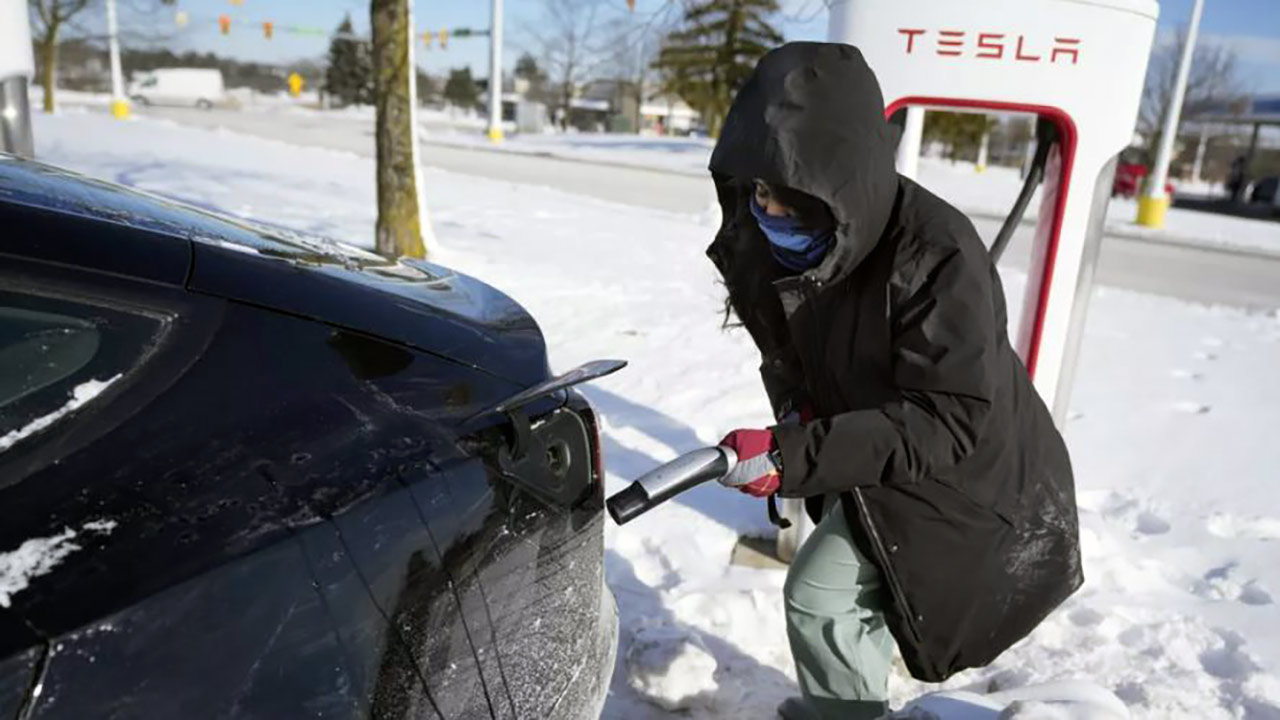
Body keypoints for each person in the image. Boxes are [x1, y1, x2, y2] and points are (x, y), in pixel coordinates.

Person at [705, 43, 1082, 720]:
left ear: (838, 184)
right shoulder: (791, 243)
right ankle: (845, 700)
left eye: (788, 198)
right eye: (757, 191)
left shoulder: (937, 256)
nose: (767, 213)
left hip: (965, 480)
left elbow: (948, 420)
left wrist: (795, 457)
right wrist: (797, 413)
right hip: (882, 451)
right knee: (855, 601)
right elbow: (793, 354)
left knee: (821, 595)